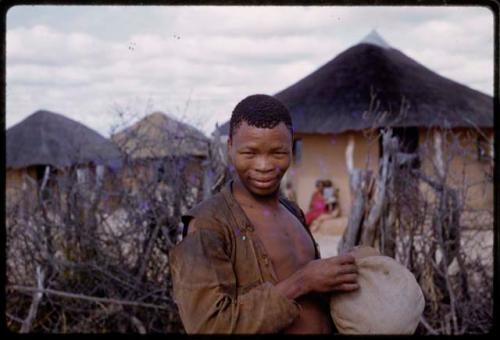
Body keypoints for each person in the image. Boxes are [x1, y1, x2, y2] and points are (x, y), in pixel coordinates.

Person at [169, 94, 359, 334]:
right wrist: (302, 281)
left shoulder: (293, 213)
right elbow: (208, 325)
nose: (264, 165)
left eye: (278, 153)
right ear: (230, 148)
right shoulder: (208, 225)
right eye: (250, 153)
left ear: (291, 147)